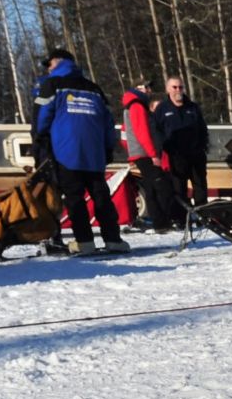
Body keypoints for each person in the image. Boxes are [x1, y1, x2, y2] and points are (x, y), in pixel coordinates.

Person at [32, 47, 129, 255]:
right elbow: (108, 122)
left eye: (48, 65)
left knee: (74, 198)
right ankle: (113, 240)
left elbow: (42, 120)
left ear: (57, 62)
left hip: (66, 152)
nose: (47, 69)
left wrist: (40, 143)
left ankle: (84, 242)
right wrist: (108, 148)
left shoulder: (52, 85)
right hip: (94, 154)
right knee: (101, 196)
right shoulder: (94, 88)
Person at [120, 80, 176, 234]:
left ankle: (159, 222)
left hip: (142, 152)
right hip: (145, 153)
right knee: (161, 185)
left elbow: (126, 134)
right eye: (144, 87)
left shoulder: (136, 106)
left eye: (149, 87)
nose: (148, 90)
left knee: (152, 187)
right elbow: (142, 132)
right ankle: (162, 220)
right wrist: (153, 154)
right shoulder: (136, 105)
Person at [154, 75, 209, 218]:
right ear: (168, 89)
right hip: (175, 156)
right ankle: (181, 217)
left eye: (180, 87)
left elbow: (203, 129)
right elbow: (156, 131)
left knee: (200, 185)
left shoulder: (192, 107)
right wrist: (163, 149)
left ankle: (203, 215)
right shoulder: (162, 109)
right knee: (179, 188)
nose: (178, 90)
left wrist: (203, 146)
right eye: (174, 87)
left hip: (196, 154)